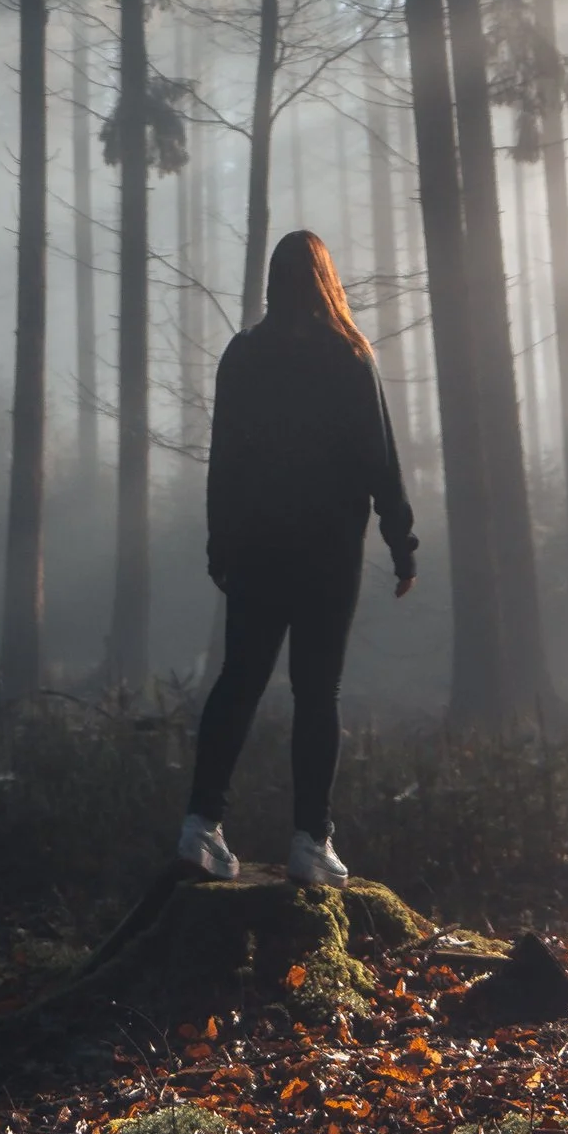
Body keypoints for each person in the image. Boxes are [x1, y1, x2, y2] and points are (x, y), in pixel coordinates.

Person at [178, 228, 416, 885]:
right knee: (318, 692)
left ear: (273, 283)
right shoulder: (349, 356)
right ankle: (311, 841)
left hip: (256, 549)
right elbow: (380, 460)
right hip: (328, 551)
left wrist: (219, 543)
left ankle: (201, 826)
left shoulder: (243, 356)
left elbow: (223, 461)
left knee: (240, 679)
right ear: (325, 280)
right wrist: (402, 543)